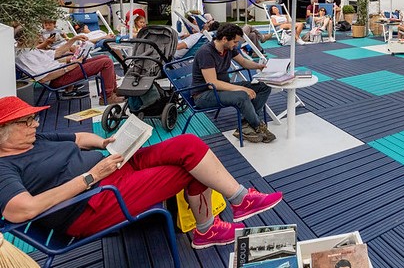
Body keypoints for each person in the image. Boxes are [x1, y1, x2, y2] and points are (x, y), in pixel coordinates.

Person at [0, 96, 283, 250]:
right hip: (92, 203)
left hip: (111, 168)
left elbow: (77, 139)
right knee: (188, 170)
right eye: (27, 121)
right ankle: (207, 229)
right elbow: (20, 210)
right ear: (4, 133)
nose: (35, 124)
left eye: (34, 118)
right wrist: (90, 177)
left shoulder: (37, 139)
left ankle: (239, 199)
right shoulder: (3, 168)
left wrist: (105, 142)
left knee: (189, 145)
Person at [192, 23, 275, 143]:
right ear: (224, 39)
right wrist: (242, 89)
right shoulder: (206, 52)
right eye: (235, 42)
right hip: (204, 94)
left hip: (223, 89)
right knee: (242, 95)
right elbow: (212, 83)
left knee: (264, 86)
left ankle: (246, 125)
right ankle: (257, 125)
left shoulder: (228, 49)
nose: (237, 44)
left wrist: (260, 66)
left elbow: (244, 62)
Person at [15, 27, 125, 104]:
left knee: (104, 58)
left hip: (63, 70)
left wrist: (73, 39)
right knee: (106, 62)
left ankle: (113, 91)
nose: (39, 38)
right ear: (25, 38)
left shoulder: (30, 50)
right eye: (35, 35)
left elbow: (56, 53)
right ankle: (108, 96)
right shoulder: (24, 56)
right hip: (59, 78)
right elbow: (44, 78)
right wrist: (70, 66)